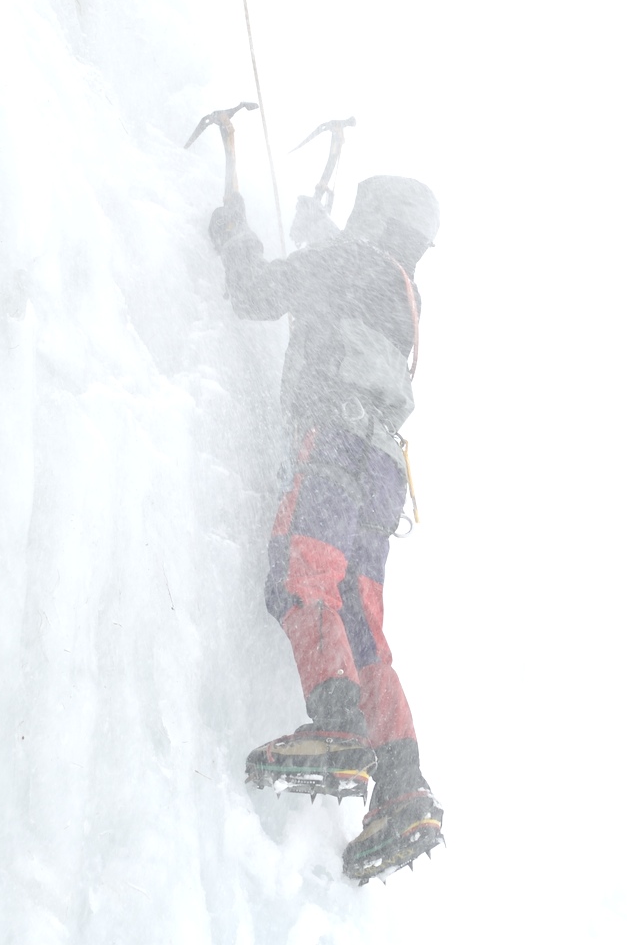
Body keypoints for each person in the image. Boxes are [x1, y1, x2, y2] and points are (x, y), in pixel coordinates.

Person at [209, 176, 443, 881]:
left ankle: (338, 723)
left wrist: (233, 234)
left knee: (300, 576)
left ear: (373, 217)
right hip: (380, 471)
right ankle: (403, 793)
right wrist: (317, 223)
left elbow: (254, 292)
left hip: (333, 444)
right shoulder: (400, 288)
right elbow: (334, 266)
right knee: (360, 622)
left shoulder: (349, 263)